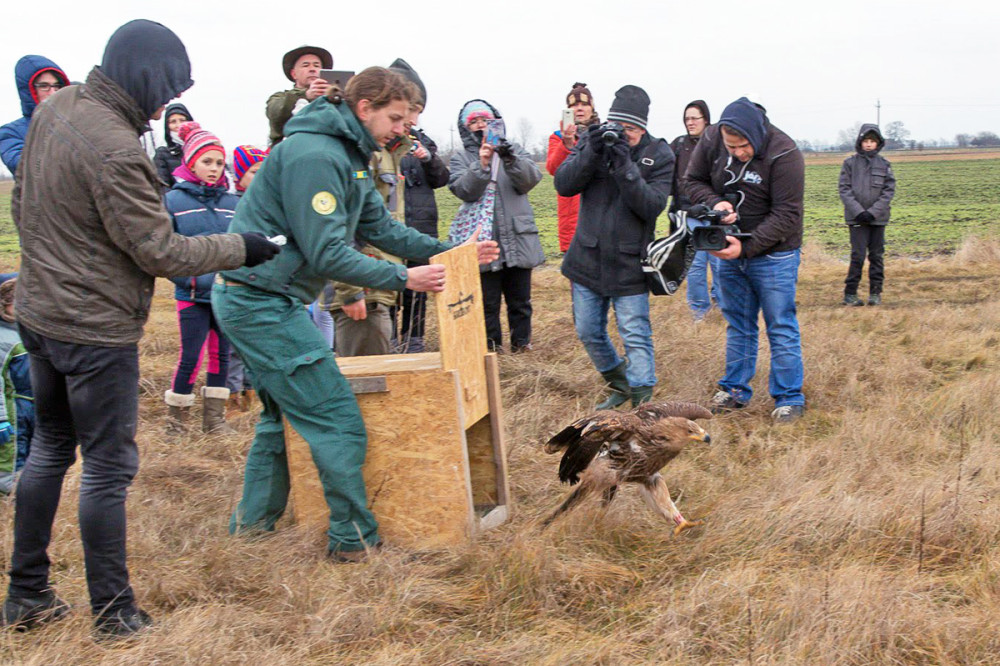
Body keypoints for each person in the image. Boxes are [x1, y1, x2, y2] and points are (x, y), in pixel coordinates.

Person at [2, 20, 280, 639]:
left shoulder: (59, 106)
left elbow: (23, 204)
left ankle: (27, 595)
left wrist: (52, 263)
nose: (164, 105)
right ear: (146, 78)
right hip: (94, 330)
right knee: (106, 466)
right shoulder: (116, 149)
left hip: (41, 313)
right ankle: (113, 611)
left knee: (48, 449)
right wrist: (242, 247)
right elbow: (162, 253)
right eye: (165, 91)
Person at [211, 67, 499, 562]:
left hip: (268, 297)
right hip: (257, 302)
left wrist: (448, 252)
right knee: (337, 419)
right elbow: (327, 253)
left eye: (407, 119)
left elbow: (382, 229)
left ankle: (250, 533)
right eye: (394, 117)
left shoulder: (350, 155)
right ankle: (354, 542)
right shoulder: (316, 156)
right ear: (364, 107)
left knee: (281, 417)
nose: (401, 129)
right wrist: (403, 279)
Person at [682, 97, 806, 424]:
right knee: (739, 322)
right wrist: (717, 202)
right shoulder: (713, 139)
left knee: (780, 324)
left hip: (776, 254)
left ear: (757, 136)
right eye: (731, 147)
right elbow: (692, 182)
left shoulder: (785, 154)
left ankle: (789, 398)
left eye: (743, 147)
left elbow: (787, 215)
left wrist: (746, 249)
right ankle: (734, 390)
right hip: (728, 249)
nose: (737, 153)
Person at [555, 85, 674, 408]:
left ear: (643, 127)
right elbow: (564, 185)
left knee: (634, 333)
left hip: (630, 262)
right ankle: (619, 384)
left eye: (631, 129)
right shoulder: (595, 143)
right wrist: (591, 151)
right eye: (619, 127)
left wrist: (624, 164)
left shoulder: (660, 155)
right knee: (588, 330)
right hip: (587, 258)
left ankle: (642, 401)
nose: (624, 134)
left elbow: (651, 206)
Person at [163, 122, 243, 436]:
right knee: (190, 355)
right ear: (191, 162)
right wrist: (187, 279)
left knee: (220, 355)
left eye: (219, 163)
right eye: (207, 161)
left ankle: (215, 420)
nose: (213, 169)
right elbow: (167, 249)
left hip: (223, 294)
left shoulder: (232, 205)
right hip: (191, 295)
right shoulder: (173, 202)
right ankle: (176, 422)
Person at [449, 99, 544, 353]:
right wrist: (480, 165)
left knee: (520, 301)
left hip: (517, 235)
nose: (481, 125)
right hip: (483, 240)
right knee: (487, 302)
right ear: (465, 127)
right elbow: (463, 190)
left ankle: (522, 346)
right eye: (474, 121)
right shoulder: (460, 158)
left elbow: (530, 180)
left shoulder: (515, 150)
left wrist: (509, 158)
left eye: (485, 120)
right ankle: (492, 350)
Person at [395, 59, 449, 354]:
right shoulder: (381, 142)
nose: (413, 120)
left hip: (422, 223)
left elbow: (441, 179)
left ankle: (414, 338)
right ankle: (391, 339)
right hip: (393, 226)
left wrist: (428, 157)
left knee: (419, 286)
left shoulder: (423, 141)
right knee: (391, 285)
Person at [226, 145, 268, 412]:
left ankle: (253, 396)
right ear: (240, 174)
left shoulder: (267, 206)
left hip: (260, 285)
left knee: (257, 345)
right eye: (254, 171)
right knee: (233, 349)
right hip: (233, 285)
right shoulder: (232, 206)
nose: (260, 177)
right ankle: (232, 397)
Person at [670, 100, 721, 320]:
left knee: (720, 264)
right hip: (689, 214)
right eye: (686, 119)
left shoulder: (719, 143)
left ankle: (722, 305)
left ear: (706, 120)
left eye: (694, 118)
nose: (689, 123)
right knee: (694, 266)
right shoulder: (679, 145)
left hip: (716, 215)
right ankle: (699, 312)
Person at [839, 124, 896, 306]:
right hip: (856, 219)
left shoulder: (885, 165)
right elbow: (844, 189)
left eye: (873, 141)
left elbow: (888, 191)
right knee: (857, 255)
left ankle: (875, 293)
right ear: (860, 142)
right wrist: (859, 212)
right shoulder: (849, 164)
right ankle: (850, 294)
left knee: (877, 256)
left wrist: (873, 213)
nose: (869, 144)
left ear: (878, 143)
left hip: (878, 220)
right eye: (866, 141)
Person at [546, 83, 600, 254]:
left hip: (600, 215)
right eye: (574, 105)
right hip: (573, 219)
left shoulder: (602, 134)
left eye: (584, 104)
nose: (579, 109)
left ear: (592, 107)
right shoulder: (557, 137)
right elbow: (553, 168)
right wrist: (567, 144)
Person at [1, 55, 70, 175]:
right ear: (28, 90)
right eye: (44, 86)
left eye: (57, 86)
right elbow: (23, 166)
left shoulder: (77, 124)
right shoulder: (10, 133)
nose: (53, 92)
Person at [266, 45, 332, 147]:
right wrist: (305, 95)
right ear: (294, 74)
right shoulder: (279, 97)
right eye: (306, 65)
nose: (312, 69)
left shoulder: (332, 99)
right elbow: (276, 111)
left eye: (317, 66)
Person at [0, 279, 33, 475]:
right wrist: (2, 418)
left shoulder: (31, 334)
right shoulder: (4, 341)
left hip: (36, 407)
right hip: (14, 410)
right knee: (11, 457)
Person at [152, 102, 193, 191]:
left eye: (182, 120)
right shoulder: (162, 154)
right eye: (173, 121)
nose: (179, 125)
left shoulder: (204, 149)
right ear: (167, 126)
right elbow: (161, 185)